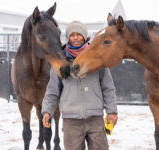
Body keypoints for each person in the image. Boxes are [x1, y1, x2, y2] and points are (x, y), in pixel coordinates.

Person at [42, 21, 118, 150]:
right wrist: (47, 111)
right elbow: (52, 91)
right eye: (72, 35)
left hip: (95, 119)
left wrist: (112, 111)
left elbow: (108, 87)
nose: (76, 38)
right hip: (71, 121)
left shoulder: (97, 58)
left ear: (84, 36)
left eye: (79, 34)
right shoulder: (61, 62)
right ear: (68, 38)